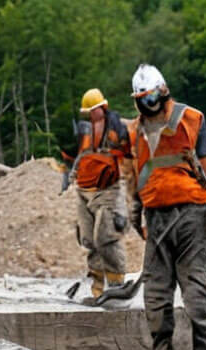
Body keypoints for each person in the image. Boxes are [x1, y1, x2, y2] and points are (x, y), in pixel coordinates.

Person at [127, 64, 206, 350]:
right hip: (155, 216)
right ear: (138, 101)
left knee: (195, 291)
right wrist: (135, 210)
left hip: (191, 214)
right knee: (156, 294)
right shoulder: (133, 133)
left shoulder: (191, 119)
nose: (151, 104)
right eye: (145, 99)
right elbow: (136, 175)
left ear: (165, 91)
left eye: (154, 96)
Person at [71, 88, 132, 301]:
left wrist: (124, 205)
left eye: (94, 110)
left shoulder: (117, 128)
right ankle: (95, 286)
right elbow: (80, 155)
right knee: (88, 238)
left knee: (106, 236)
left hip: (108, 188)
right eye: (89, 111)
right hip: (85, 188)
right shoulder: (86, 131)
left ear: (102, 107)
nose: (92, 114)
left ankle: (117, 283)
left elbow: (129, 159)